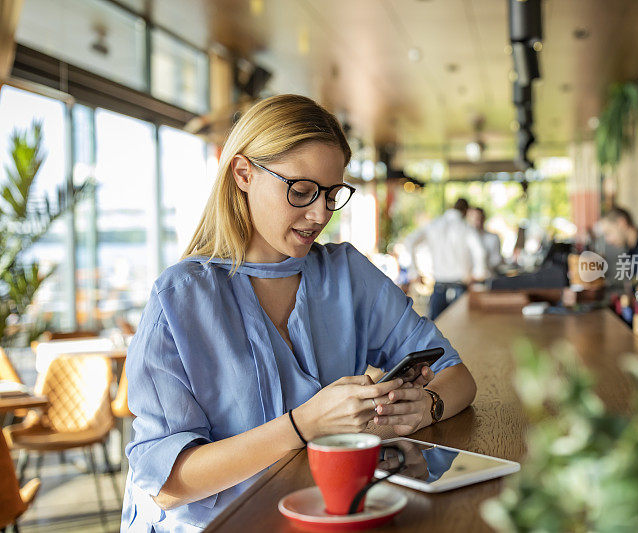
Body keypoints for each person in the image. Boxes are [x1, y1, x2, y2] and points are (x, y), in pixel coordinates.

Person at [121, 94, 477, 532]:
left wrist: (426, 406)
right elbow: (166, 485)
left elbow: (458, 376)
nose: (319, 214)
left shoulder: (347, 274)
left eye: (331, 194)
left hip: (326, 517)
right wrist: (304, 424)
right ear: (244, 174)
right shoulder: (181, 297)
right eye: (302, 191)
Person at [406, 198, 487, 320]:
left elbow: (410, 242)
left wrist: (414, 271)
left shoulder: (434, 225)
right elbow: (480, 251)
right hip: (460, 286)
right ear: (465, 211)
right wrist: (478, 274)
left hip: (439, 287)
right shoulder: (466, 228)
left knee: (437, 329)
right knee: (462, 330)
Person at [467, 207, 503, 276]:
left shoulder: (493, 238)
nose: (476, 222)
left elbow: (496, 260)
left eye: (478, 218)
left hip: (488, 277)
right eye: (473, 218)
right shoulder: (466, 238)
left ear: (484, 219)